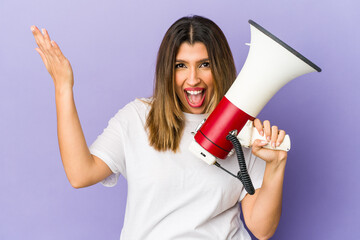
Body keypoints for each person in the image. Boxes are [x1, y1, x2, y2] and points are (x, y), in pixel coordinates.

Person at [31, 15, 288, 240]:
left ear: (219, 67)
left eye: (204, 64)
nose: (193, 78)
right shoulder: (138, 117)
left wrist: (276, 166)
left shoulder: (241, 128)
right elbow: (80, 174)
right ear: (168, 70)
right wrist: (63, 87)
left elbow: (262, 229)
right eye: (181, 66)